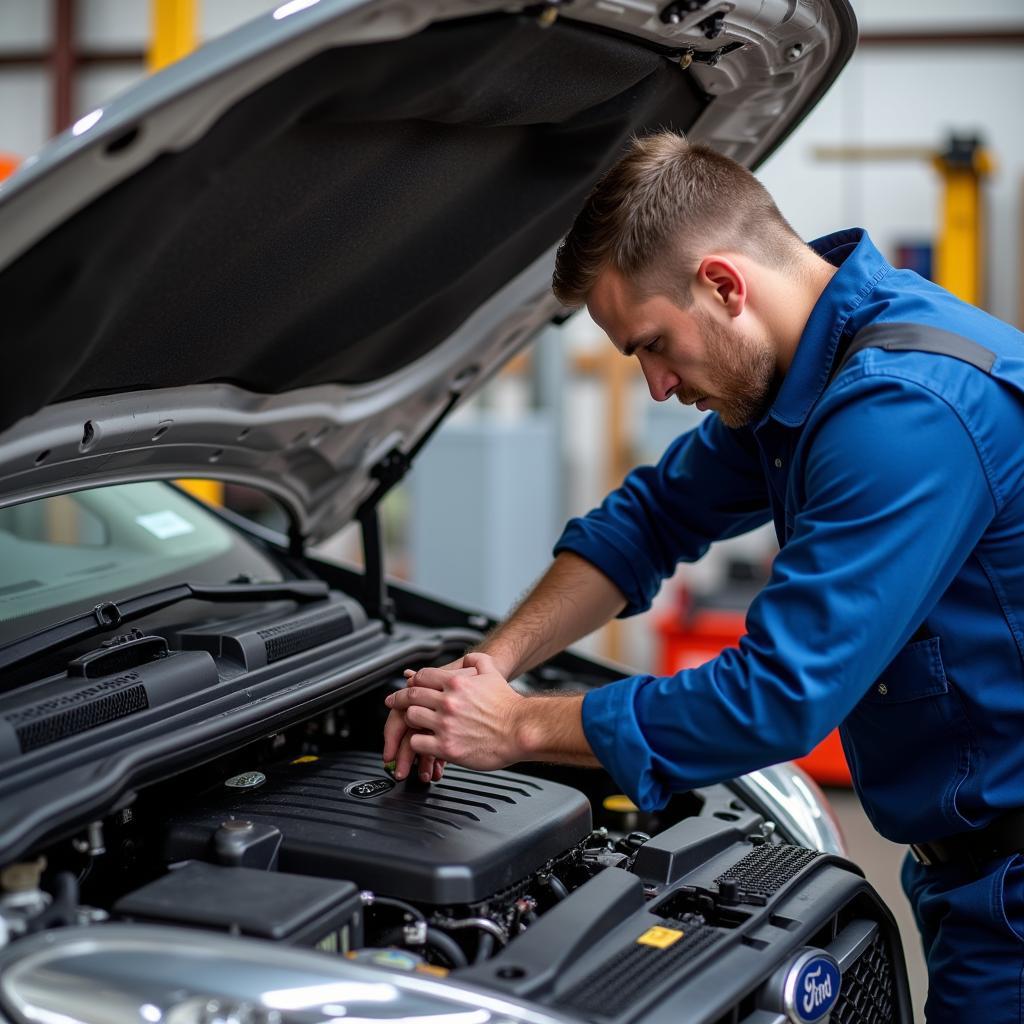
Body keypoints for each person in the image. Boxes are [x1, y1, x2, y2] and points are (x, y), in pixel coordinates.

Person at [382, 132, 1024, 1022]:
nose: (654, 386)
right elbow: (649, 521)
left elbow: (779, 696)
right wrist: (489, 669)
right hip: (968, 869)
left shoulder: (902, 412)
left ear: (723, 284)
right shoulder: (806, 375)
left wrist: (520, 728)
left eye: (652, 345)